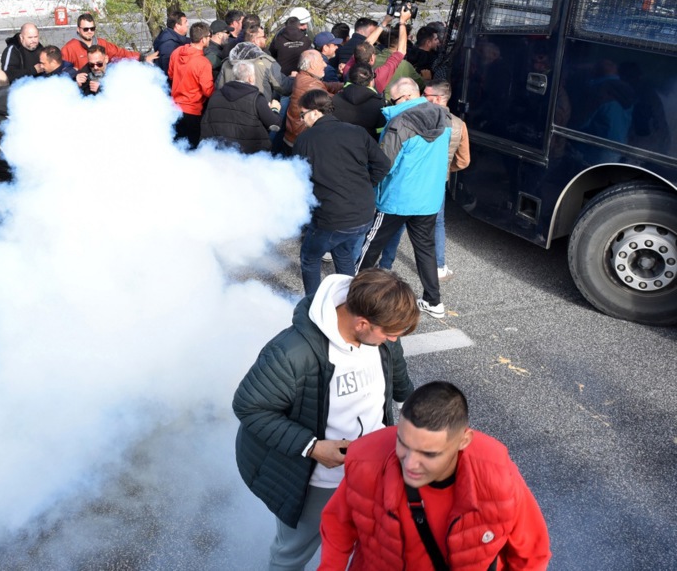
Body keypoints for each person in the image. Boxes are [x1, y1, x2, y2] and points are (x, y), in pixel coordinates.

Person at [233, 268, 418, 571]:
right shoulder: (292, 352)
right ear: (361, 323)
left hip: (374, 468)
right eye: (389, 333)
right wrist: (313, 447)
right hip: (318, 480)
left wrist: (415, 405)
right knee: (292, 553)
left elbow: (397, 376)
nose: (394, 340)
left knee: (372, 541)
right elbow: (250, 407)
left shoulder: (382, 336)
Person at [318, 381, 552, 571]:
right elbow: (337, 524)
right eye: (402, 443)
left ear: (464, 441)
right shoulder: (366, 462)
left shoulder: (499, 477)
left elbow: (532, 553)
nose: (410, 463)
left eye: (428, 454)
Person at [358, 78, 451, 320]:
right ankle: (434, 301)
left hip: (397, 198)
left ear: (407, 97)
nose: (391, 102)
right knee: (425, 250)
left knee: (371, 244)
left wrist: (365, 183)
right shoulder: (444, 117)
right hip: (429, 198)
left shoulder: (400, 123)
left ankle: (351, 289)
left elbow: (384, 164)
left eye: (394, 98)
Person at [294, 89, 392, 293]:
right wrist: (366, 184)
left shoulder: (304, 140)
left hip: (331, 215)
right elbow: (383, 164)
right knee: (344, 254)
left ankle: (312, 305)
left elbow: (299, 181)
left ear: (314, 112)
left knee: (309, 258)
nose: (302, 120)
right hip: (364, 211)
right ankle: (348, 301)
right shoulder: (356, 131)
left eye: (302, 115)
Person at [377, 80, 469, 281]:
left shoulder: (408, 119)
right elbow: (463, 160)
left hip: (407, 183)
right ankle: (439, 266)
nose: (421, 98)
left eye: (425, 94)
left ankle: (385, 264)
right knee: (436, 226)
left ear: (437, 98)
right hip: (436, 183)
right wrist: (445, 169)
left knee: (395, 226)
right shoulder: (458, 124)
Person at [200, 60, 279, 154]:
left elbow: (206, 123)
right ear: (250, 78)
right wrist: (275, 109)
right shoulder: (257, 99)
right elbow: (275, 125)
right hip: (250, 156)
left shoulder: (216, 95)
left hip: (219, 152)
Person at [283, 49, 344, 149]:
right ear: (312, 65)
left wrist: (345, 85)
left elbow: (326, 85)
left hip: (295, 135)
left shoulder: (304, 77)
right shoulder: (310, 84)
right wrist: (352, 91)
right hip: (302, 138)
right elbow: (332, 101)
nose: (325, 65)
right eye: (321, 61)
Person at [61, 12, 159, 70]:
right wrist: (75, 75)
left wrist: (142, 58)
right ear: (78, 29)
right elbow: (62, 71)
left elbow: (121, 54)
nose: (89, 31)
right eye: (86, 29)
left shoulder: (102, 43)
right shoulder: (69, 48)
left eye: (92, 28)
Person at [332, 63, 386, 140]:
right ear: (371, 81)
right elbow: (380, 131)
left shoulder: (336, 98)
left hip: (338, 145)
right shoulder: (377, 104)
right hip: (365, 147)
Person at [152, 10, 190, 78]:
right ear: (177, 26)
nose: (188, 24)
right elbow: (168, 71)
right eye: (185, 22)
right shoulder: (168, 46)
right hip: (167, 85)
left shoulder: (175, 38)